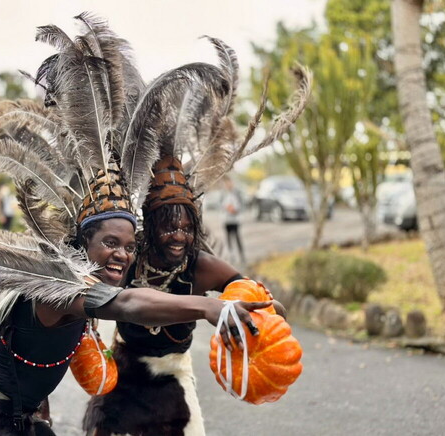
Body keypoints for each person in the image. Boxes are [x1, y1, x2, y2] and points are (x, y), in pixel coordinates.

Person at [0, 15, 271, 435]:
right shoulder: (65, 285)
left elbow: (25, 354)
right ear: (82, 244)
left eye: (129, 247)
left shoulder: (80, 282)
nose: (122, 254)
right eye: (110, 243)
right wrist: (209, 307)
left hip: (11, 415)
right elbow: (127, 303)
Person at [83, 33, 310, 435]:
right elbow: (104, 296)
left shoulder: (201, 267)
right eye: (168, 224)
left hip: (175, 383)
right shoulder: (127, 261)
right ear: (149, 227)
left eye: (187, 225)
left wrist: (265, 313)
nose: (178, 234)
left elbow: (245, 289)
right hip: (121, 381)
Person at [221, 176, 246, 266]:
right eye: (226, 183)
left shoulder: (237, 193)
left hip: (235, 220)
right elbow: (220, 205)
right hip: (226, 220)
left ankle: (241, 256)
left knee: (237, 238)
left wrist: (235, 209)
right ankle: (232, 257)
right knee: (229, 240)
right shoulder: (223, 194)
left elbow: (242, 205)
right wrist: (226, 208)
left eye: (229, 182)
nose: (228, 184)